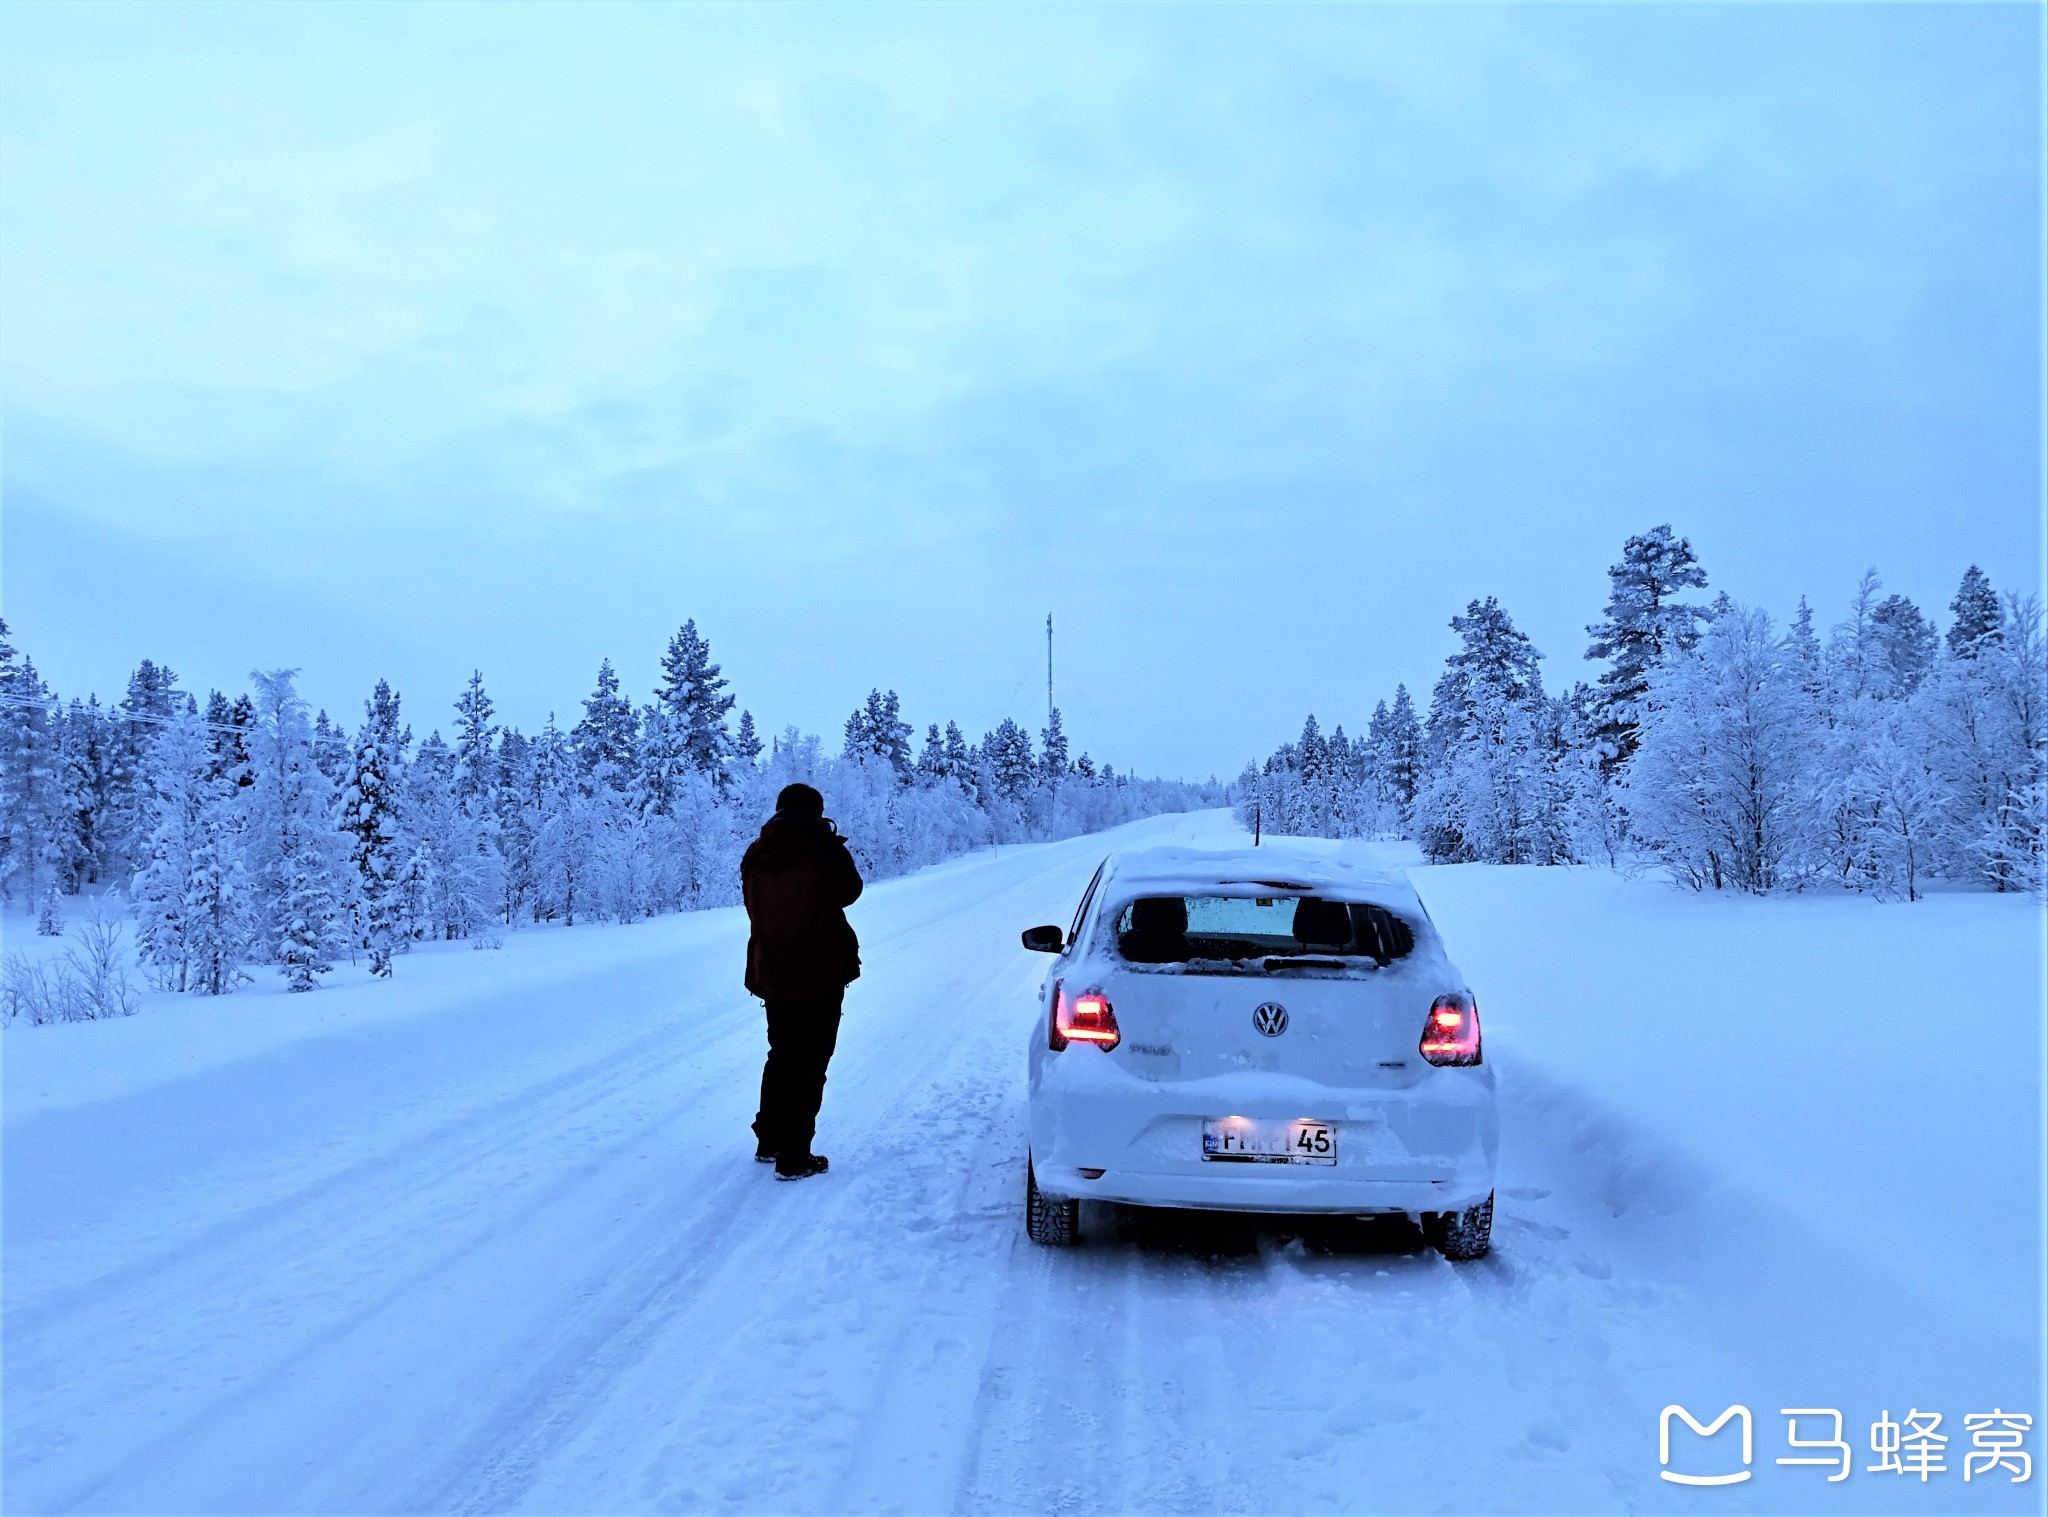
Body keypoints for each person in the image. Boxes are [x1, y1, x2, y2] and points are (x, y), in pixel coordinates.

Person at [740, 782, 863, 1180]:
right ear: (816, 812)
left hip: (773, 968)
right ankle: (794, 1156)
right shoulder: (825, 849)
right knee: (810, 1062)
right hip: (820, 968)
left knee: (782, 1054)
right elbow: (850, 892)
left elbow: (754, 902)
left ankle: (769, 1139)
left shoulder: (757, 853)